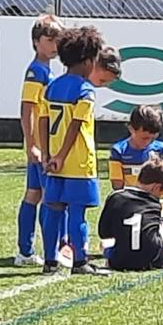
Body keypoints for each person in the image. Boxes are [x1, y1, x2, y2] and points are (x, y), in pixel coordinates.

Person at [38, 26, 109, 276]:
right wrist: (62, 156)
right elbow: (76, 126)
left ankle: (50, 261)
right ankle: (79, 262)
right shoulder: (85, 90)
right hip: (77, 163)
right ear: (89, 61)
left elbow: (43, 120)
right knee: (77, 213)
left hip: (54, 163)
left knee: (53, 210)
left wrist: (47, 154)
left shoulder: (52, 87)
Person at [14, 15, 66, 267]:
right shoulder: (36, 72)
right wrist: (32, 144)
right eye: (49, 39)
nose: (55, 44)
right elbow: (27, 109)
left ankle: (25, 251)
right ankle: (51, 250)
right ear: (36, 42)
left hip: (42, 145)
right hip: (41, 147)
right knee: (48, 196)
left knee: (33, 194)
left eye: (58, 38)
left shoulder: (46, 70)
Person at [98, 159, 163, 272]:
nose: (160, 197)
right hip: (154, 261)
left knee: (104, 244)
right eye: (162, 194)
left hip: (120, 262)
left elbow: (104, 233)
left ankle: (113, 260)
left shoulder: (115, 197)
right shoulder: (154, 204)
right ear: (156, 187)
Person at [108, 105, 163, 234]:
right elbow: (118, 187)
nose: (148, 142)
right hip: (132, 210)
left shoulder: (161, 150)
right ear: (131, 128)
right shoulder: (119, 151)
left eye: (153, 138)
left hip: (159, 211)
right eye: (145, 138)